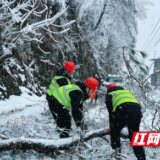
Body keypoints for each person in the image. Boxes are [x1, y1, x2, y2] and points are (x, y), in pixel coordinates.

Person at [105, 83, 146, 160]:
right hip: (137, 111)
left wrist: (112, 128)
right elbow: (134, 103)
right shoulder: (126, 92)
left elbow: (111, 114)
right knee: (135, 137)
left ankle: (117, 156)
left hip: (123, 110)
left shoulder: (110, 94)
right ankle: (142, 158)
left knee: (115, 134)